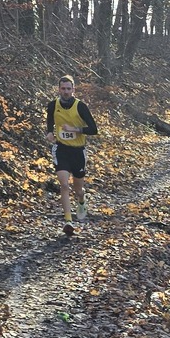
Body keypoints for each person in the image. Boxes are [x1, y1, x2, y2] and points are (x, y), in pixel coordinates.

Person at [46, 75, 98, 235]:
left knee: (78, 189)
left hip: (78, 151)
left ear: (73, 90)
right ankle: (68, 221)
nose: (66, 92)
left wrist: (75, 129)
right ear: (59, 89)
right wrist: (49, 132)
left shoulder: (80, 106)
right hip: (61, 149)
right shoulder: (53, 105)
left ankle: (81, 200)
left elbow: (93, 129)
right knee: (64, 185)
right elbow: (50, 121)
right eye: (63, 88)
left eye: (69, 89)